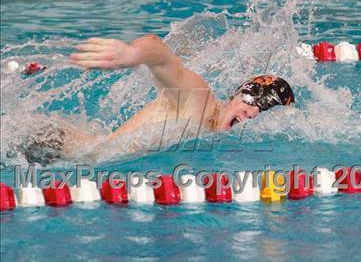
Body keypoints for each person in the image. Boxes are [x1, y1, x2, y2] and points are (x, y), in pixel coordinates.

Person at [20, 34, 295, 165]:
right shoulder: (199, 101)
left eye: (266, 110)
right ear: (236, 94)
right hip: (47, 141)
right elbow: (160, 54)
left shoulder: (212, 136)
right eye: (253, 100)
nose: (254, 113)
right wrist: (132, 55)